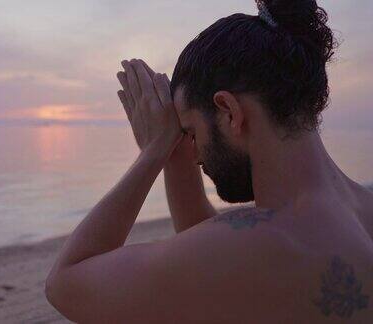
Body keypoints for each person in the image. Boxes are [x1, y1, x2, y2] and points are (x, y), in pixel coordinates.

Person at [45, 0, 373, 322]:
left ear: (229, 111)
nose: (195, 153)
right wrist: (176, 157)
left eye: (190, 132)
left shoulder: (267, 244)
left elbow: (66, 284)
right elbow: (207, 245)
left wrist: (153, 152)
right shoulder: (358, 210)